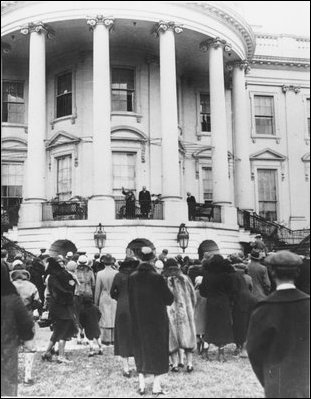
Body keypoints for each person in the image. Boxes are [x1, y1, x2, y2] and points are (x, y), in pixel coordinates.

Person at [246, 251, 310, 398]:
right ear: (298, 272)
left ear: (272, 272)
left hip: (277, 384)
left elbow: (253, 351)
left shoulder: (264, 308)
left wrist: (268, 379)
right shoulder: (308, 304)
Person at [129, 247, 174, 395]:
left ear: (140, 258)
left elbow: (130, 300)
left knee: (140, 348)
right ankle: (156, 386)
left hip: (138, 319)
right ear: (153, 259)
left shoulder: (132, 277)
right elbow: (169, 299)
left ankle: (141, 385)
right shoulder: (157, 277)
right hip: (157, 320)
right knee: (158, 350)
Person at [1, 263, 34, 396]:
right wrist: (28, 339)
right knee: (7, 383)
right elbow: (25, 322)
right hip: (7, 347)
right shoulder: (12, 298)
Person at [163, 258, 197, 373]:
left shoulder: (164, 280)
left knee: (172, 338)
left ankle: (174, 365)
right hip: (185, 312)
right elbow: (193, 296)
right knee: (187, 336)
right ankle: (190, 364)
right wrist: (191, 308)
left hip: (169, 313)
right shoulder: (185, 279)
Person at [41, 257, 77, 364]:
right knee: (64, 332)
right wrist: (71, 291)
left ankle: (46, 352)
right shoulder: (64, 275)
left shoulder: (51, 277)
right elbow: (67, 290)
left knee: (57, 331)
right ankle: (61, 356)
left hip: (54, 307)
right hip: (64, 307)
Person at [199, 254, 234, 362]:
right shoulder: (226, 276)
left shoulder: (207, 275)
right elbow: (231, 291)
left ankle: (205, 352)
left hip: (211, 303)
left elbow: (202, 292)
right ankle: (221, 354)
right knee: (222, 328)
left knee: (210, 327)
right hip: (223, 304)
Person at [11, 268, 41, 384]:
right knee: (29, 347)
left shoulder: (8, 286)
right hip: (26, 317)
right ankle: (27, 376)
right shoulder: (31, 286)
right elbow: (37, 302)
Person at [110, 257, 139, 377]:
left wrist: (120, 298)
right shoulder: (137, 276)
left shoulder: (118, 276)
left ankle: (126, 368)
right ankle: (138, 365)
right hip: (136, 306)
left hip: (122, 307)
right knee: (137, 335)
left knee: (123, 335)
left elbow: (112, 293)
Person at [228, 254, 257, 358]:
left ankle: (241, 348)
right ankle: (244, 347)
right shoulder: (247, 277)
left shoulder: (233, 276)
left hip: (241, 302)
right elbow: (250, 289)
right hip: (250, 299)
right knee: (248, 324)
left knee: (239, 325)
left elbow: (233, 292)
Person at [95, 254, 118, 345]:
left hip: (104, 296)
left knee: (104, 317)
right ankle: (113, 338)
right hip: (114, 297)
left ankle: (106, 338)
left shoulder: (100, 274)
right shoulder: (116, 273)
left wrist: (96, 302)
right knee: (113, 317)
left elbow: (97, 289)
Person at [74, 255, 95, 345]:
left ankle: (79, 335)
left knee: (78, 315)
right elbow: (93, 284)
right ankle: (86, 337)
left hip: (78, 294)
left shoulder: (75, 271)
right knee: (87, 315)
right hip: (88, 294)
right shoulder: (90, 271)